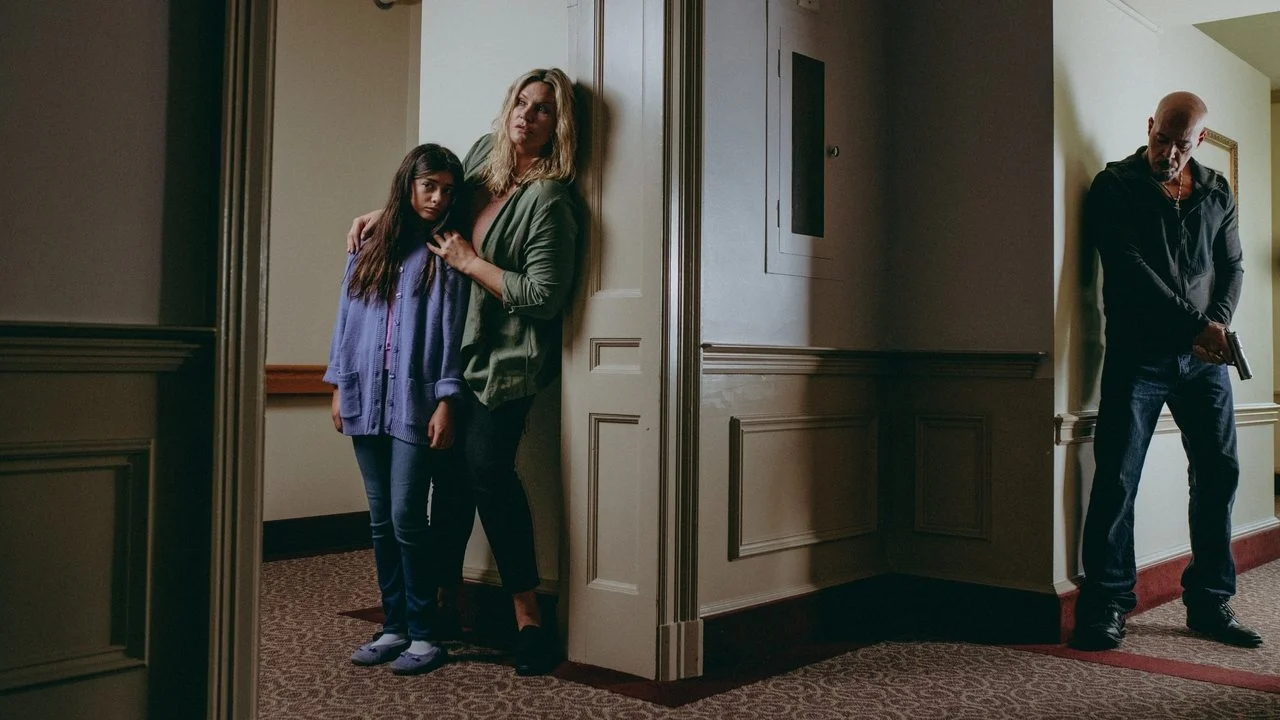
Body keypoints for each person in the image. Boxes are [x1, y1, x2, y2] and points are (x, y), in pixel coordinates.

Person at [347, 67, 578, 675]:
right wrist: (384, 212)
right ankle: (441, 605)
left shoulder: (550, 199)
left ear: (559, 125)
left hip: (504, 362)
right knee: (444, 476)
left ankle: (529, 617)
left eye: (544, 109)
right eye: (522, 102)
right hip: (448, 354)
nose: (527, 115)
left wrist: (471, 263)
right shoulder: (483, 157)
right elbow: (432, 200)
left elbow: (544, 296)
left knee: (485, 473)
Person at [1072, 91, 1261, 651]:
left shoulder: (1217, 191)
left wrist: (1216, 326)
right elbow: (1127, 267)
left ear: (1199, 141)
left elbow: (1233, 265)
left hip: (1204, 361)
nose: (1169, 154)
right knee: (1118, 476)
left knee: (1219, 473)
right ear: (1149, 126)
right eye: (1162, 140)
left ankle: (1209, 601)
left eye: (1182, 145)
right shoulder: (1115, 185)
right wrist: (1196, 327)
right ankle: (1106, 604)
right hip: (1139, 356)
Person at [326, 143, 469, 675]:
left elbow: (452, 335)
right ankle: (393, 626)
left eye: (447, 190)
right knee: (381, 518)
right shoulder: (366, 246)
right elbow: (345, 320)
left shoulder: (445, 253)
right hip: (364, 396)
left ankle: (425, 633)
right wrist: (338, 384)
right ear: (408, 184)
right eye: (429, 186)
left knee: (408, 515)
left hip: (416, 402)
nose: (437, 198)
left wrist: (447, 401)